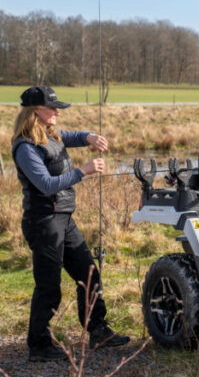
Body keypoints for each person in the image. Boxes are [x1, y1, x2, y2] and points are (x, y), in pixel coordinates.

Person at [11, 86, 129, 362]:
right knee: (49, 285)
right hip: (43, 222)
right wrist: (83, 171)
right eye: (52, 108)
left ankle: (97, 330)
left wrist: (90, 137)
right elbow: (46, 184)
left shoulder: (50, 134)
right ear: (35, 112)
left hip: (64, 219)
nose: (56, 112)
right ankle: (39, 346)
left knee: (88, 274)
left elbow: (71, 136)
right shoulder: (26, 147)